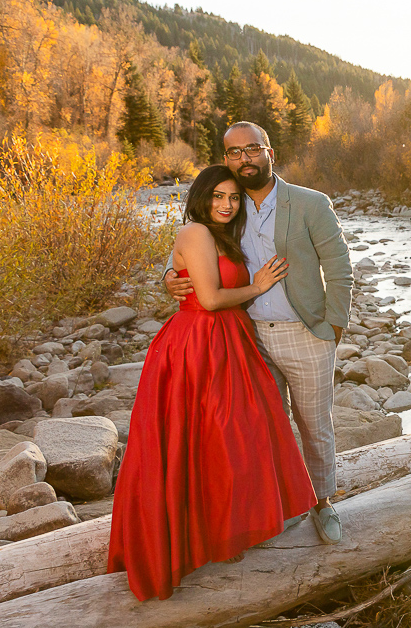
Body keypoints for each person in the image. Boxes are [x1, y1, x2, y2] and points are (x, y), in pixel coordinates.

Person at [108, 165, 317, 601]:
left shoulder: (224, 234)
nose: (226, 204)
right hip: (197, 344)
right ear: (201, 197)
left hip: (228, 340)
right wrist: (257, 287)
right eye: (218, 196)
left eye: (234, 198)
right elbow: (209, 298)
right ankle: (196, 538)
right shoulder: (196, 233)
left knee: (230, 437)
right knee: (207, 437)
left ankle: (225, 530)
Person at [165, 122, 352, 545]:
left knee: (314, 424)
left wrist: (333, 327)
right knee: (265, 426)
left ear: (270, 151)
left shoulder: (309, 203)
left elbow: (340, 269)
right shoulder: (229, 206)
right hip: (247, 337)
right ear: (226, 158)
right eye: (234, 153)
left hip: (305, 333)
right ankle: (284, 504)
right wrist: (168, 276)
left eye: (252, 150)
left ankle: (323, 502)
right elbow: (191, 250)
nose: (244, 159)